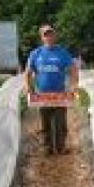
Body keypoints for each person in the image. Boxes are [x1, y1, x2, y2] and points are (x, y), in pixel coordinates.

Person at [24, 24, 78, 154]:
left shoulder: (62, 52)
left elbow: (73, 71)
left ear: (54, 36)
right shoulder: (35, 54)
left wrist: (72, 87)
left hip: (60, 95)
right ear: (41, 37)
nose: (49, 37)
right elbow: (27, 73)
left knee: (61, 122)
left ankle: (61, 147)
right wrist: (29, 88)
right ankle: (47, 147)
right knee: (45, 123)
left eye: (50, 34)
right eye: (45, 35)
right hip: (42, 96)